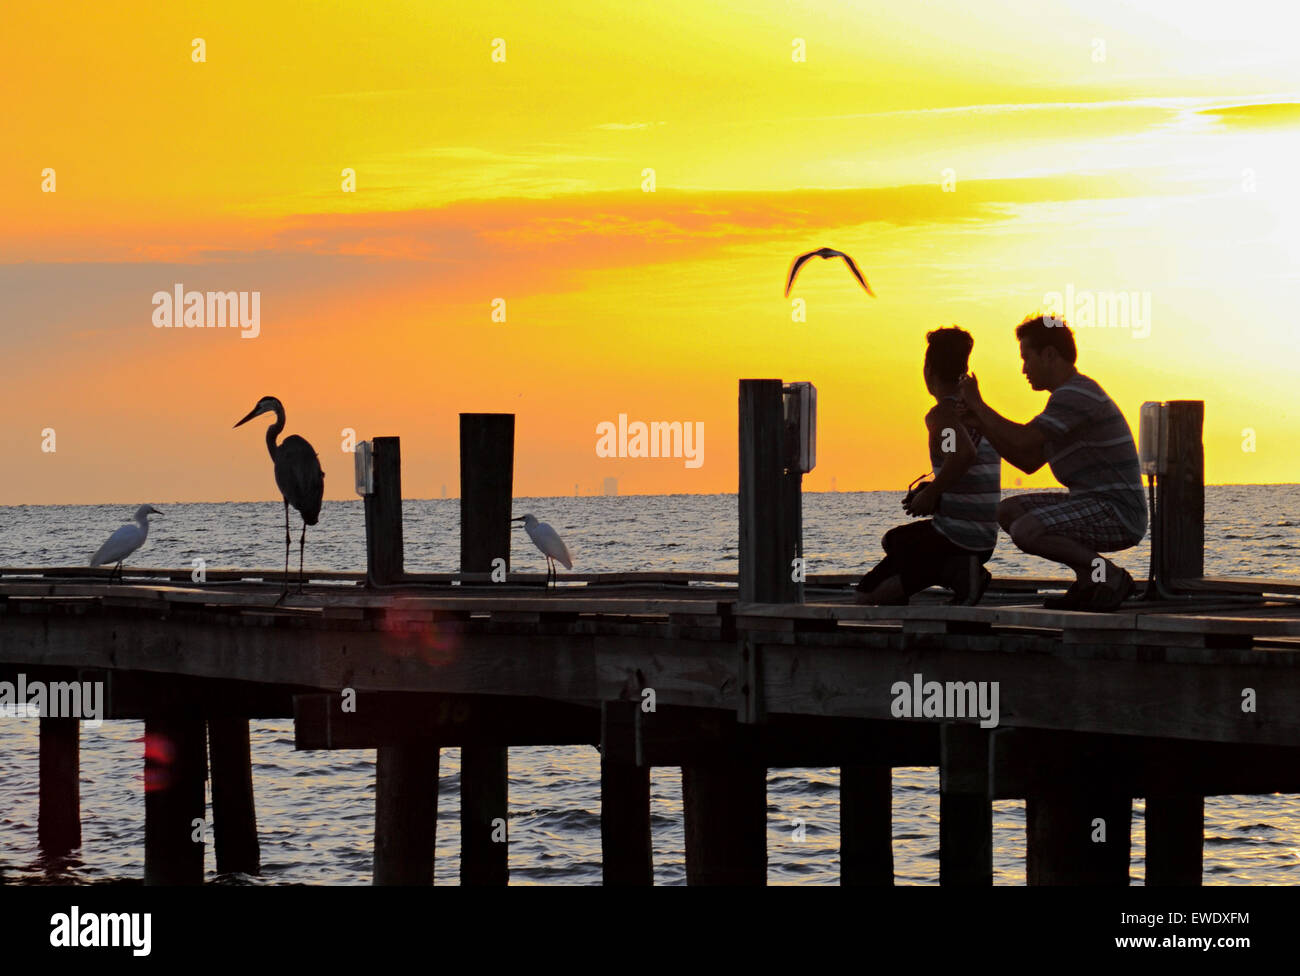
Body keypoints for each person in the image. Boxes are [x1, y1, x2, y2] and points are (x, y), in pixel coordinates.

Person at [957, 314, 1146, 611]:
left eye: (1026, 358)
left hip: (1118, 512)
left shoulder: (1076, 394)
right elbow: (1028, 461)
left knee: (1027, 530)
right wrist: (981, 424)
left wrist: (979, 406)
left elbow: (1022, 440)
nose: (1023, 369)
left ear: (1049, 354)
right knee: (1008, 511)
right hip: (1093, 504)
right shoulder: (1064, 400)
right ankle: (1089, 579)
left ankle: (1110, 576)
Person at [856, 327, 1001, 606]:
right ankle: (960, 570)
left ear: (928, 369)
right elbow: (962, 464)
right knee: (897, 542)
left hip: (956, 536)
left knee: (868, 592)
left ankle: (958, 573)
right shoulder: (975, 411)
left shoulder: (942, 415)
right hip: (984, 537)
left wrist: (931, 494)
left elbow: (962, 456)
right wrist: (930, 490)